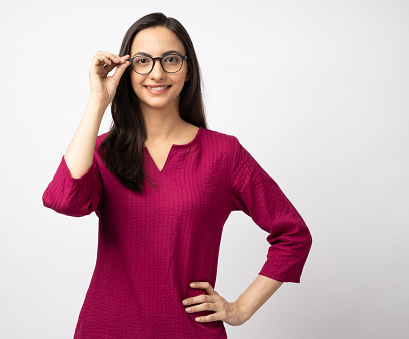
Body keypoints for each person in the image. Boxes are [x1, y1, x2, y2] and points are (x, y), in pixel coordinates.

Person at [42, 12, 312, 339]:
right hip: (107, 329)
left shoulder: (223, 154)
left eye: (170, 59)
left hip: (189, 332)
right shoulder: (103, 152)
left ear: (187, 71)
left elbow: (292, 234)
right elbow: (63, 199)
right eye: (143, 61)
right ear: (126, 71)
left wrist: (240, 308)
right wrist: (98, 101)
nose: (157, 73)